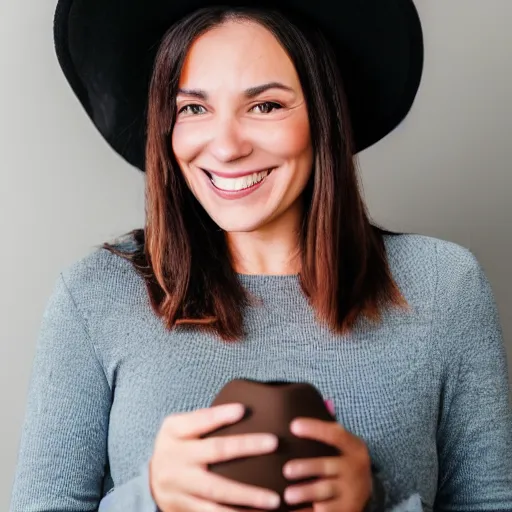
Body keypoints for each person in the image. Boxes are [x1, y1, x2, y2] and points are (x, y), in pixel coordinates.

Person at [9, 0, 512, 511]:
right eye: (194, 108)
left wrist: (372, 502)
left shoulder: (443, 287)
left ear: (323, 115)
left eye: (265, 105)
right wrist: (150, 498)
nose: (226, 147)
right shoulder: (95, 296)